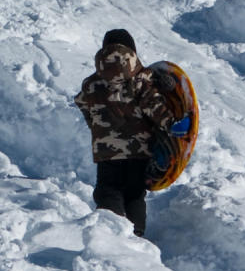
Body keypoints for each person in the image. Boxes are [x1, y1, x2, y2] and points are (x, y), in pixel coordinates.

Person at [74, 29, 176, 237]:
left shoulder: (91, 83)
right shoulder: (141, 79)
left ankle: (113, 227)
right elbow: (153, 106)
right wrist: (171, 124)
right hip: (139, 150)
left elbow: (84, 106)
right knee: (134, 193)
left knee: (108, 188)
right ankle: (136, 232)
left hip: (106, 150)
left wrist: (99, 131)